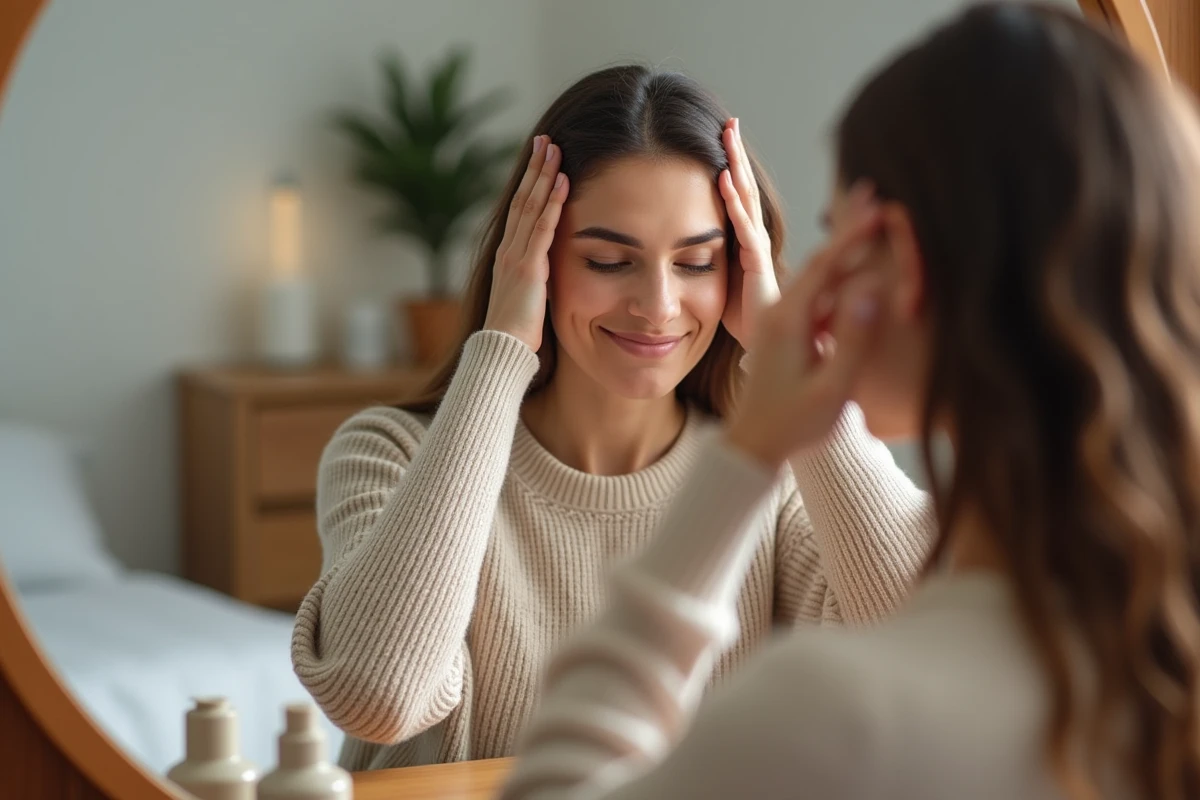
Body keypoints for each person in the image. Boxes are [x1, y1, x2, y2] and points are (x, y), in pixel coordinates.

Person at [499, 4, 1200, 799]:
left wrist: (747, 456)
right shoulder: (1154, 646)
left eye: (834, 231)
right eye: (610, 259)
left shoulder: (836, 713)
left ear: (896, 254)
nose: (658, 306)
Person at [291, 65, 931, 772]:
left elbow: (925, 648)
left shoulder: (767, 480)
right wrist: (502, 347)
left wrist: (790, 359)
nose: (657, 305)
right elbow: (379, 695)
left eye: (696, 263)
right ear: (532, 258)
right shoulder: (389, 452)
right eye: (608, 260)